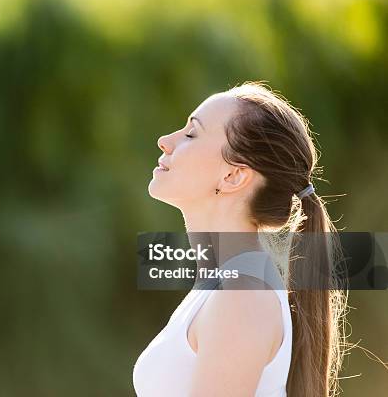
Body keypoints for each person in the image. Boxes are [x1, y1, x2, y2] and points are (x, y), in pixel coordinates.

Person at [133, 82, 346, 396]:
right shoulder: (225, 288)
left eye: (191, 133)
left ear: (233, 176)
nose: (165, 141)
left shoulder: (243, 296)